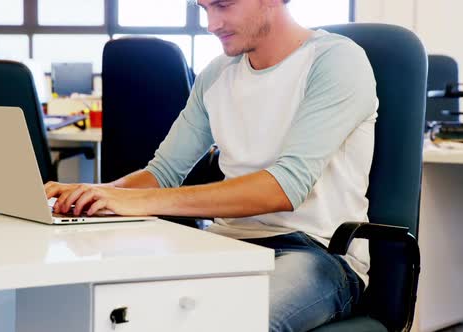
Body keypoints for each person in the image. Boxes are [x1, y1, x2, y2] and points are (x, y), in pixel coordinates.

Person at [45, 0, 378, 330]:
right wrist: (92, 193)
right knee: (110, 309)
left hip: (316, 253)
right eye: (205, 8)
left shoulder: (336, 61)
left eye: (223, 5)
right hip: (225, 244)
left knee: (225, 324)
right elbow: (162, 173)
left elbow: (284, 187)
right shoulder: (217, 74)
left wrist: (136, 202)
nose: (211, 23)